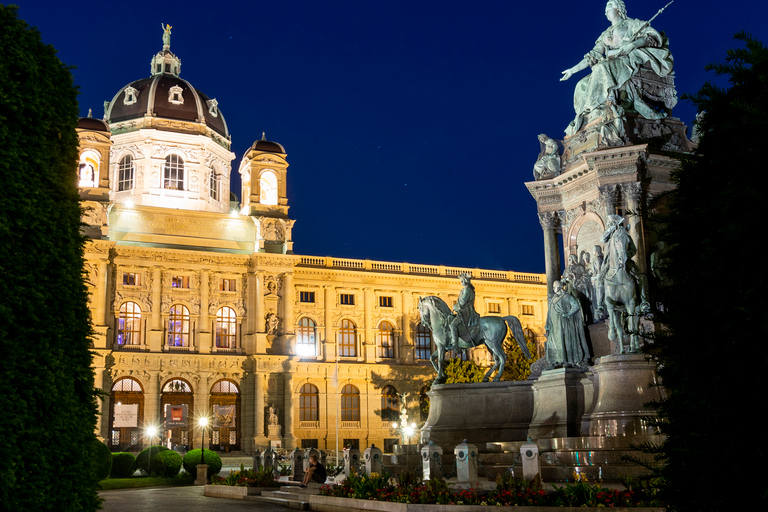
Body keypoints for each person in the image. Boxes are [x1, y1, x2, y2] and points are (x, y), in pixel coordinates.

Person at [560, 0, 674, 135]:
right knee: (581, 84)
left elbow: (650, 37)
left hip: (626, 61)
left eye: (608, 8)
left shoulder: (631, 24)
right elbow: (593, 56)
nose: (605, 12)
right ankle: (589, 114)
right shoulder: (605, 34)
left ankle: (607, 104)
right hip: (611, 63)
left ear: (618, 9)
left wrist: (633, 45)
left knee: (600, 68)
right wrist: (572, 71)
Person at [447, 273, 480, 351]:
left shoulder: (467, 290)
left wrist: (455, 307)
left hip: (466, 312)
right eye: (461, 281)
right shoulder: (469, 289)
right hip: (466, 311)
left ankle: (455, 344)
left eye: (462, 280)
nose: (461, 282)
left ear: (466, 281)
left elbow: (462, 302)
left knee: (452, 325)